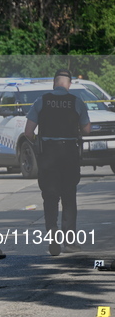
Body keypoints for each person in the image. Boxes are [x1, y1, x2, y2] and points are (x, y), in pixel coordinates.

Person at [25, 69, 91, 256]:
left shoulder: (41, 101)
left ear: (54, 83)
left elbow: (28, 132)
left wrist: (39, 142)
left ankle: (53, 233)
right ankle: (69, 242)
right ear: (69, 84)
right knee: (69, 197)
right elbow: (87, 129)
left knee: (50, 196)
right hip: (69, 153)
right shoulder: (76, 102)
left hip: (48, 155)